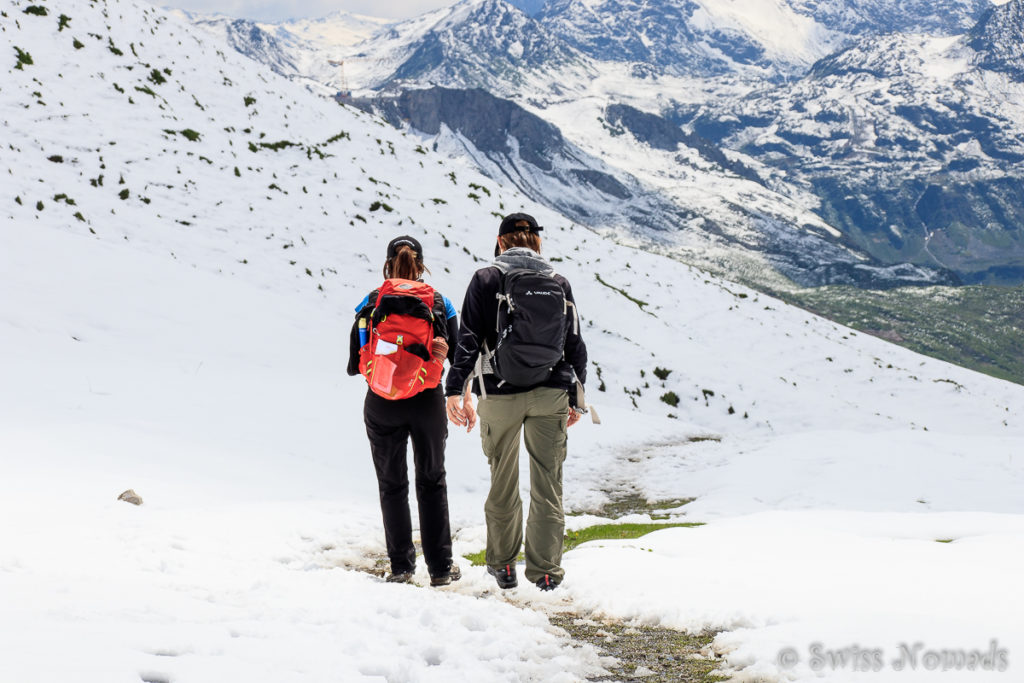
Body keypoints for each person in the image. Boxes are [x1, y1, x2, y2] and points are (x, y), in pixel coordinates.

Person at [445, 213, 588, 591]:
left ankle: (504, 566)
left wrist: (454, 389)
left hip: (499, 393)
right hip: (551, 393)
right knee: (549, 484)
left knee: (502, 481)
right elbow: (574, 343)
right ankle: (544, 572)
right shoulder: (558, 282)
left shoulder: (486, 278)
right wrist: (577, 396)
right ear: (537, 242)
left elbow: (469, 339)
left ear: (500, 241)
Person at [347, 235, 461, 586]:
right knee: (432, 481)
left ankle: (401, 567)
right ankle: (441, 569)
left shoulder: (370, 302)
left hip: (382, 403)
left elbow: (354, 363)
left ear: (387, 264)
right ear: (421, 264)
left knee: (391, 484)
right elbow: (456, 356)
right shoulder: (441, 303)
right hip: (427, 401)